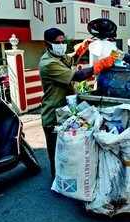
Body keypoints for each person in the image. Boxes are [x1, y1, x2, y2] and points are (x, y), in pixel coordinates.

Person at [39, 28, 117, 178]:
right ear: (47, 44)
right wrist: (101, 64)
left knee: (69, 154)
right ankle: (59, 187)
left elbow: (72, 59)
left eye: (63, 42)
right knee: (58, 156)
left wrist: (83, 46)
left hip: (66, 112)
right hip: (53, 115)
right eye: (57, 42)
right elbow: (79, 76)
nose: (61, 45)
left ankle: (69, 182)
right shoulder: (48, 63)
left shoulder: (59, 56)